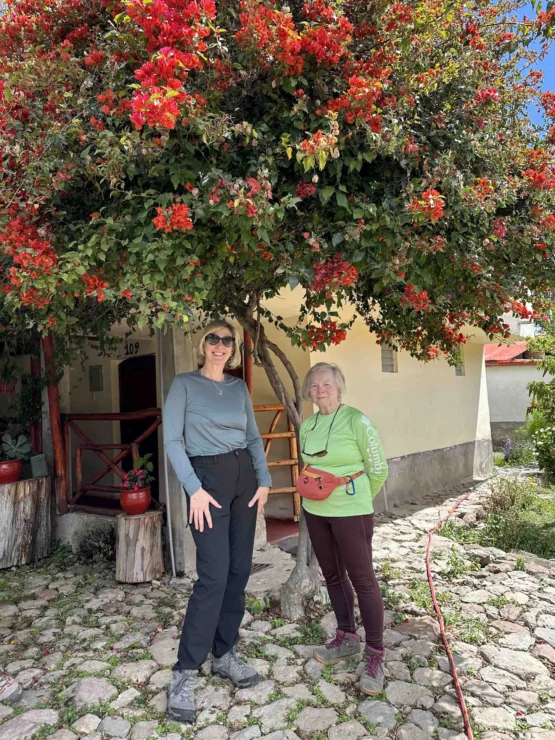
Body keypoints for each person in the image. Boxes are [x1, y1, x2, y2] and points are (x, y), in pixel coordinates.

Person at [163, 320, 272, 723]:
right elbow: (173, 441)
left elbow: (253, 438)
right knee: (213, 575)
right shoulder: (184, 384)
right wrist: (193, 488)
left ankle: (225, 653)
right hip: (206, 484)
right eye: (214, 339)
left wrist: (264, 479)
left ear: (233, 349)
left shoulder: (239, 387)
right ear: (202, 343)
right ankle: (185, 671)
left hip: (244, 482)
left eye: (227, 341)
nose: (220, 345)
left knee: (239, 571)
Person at [299, 362, 389, 695]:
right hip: (315, 511)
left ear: (339, 388)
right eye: (314, 385)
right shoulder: (306, 426)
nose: (320, 390)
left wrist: (358, 501)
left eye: (326, 384)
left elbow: (378, 470)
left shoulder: (357, 421)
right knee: (333, 576)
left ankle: (376, 654)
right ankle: (347, 636)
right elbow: (308, 467)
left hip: (351, 511)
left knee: (364, 580)